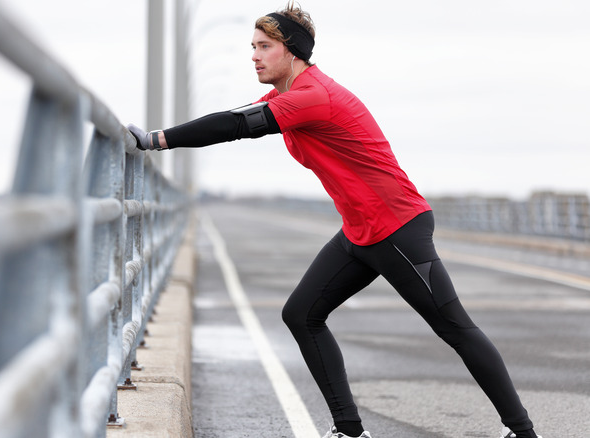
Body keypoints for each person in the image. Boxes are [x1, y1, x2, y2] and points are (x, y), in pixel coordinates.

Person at [128, 3, 541, 438]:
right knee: (301, 314)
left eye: (264, 47)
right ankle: (349, 430)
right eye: (253, 47)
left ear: (292, 51)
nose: (254, 56)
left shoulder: (313, 96)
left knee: (454, 327)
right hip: (361, 231)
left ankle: (521, 431)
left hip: (396, 227)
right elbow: (232, 118)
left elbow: (235, 126)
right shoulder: (287, 96)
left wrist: (156, 140)